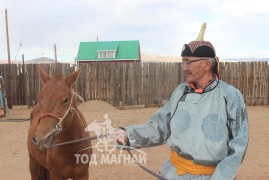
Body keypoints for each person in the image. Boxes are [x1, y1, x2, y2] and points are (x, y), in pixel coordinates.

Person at [114, 23, 249, 180]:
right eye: (183, 61)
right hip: (173, 173)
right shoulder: (180, 91)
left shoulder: (231, 96)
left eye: (188, 61)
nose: (184, 67)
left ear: (207, 64)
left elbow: (239, 145)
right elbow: (160, 127)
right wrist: (128, 135)